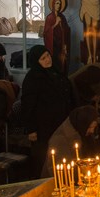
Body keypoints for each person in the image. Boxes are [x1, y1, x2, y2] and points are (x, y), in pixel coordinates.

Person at [21, 45, 74, 180]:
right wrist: (31, 129)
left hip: (61, 122)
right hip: (43, 126)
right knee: (43, 157)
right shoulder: (32, 79)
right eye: (43, 58)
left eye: (48, 56)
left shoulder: (56, 72)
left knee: (60, 154)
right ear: (36, 61)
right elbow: (28, 105)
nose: (47, 60)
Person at [44, 105, 100, 176]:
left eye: (94, 127)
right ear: (82, 124)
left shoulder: (83, 132)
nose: (92, 131)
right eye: (89, 127)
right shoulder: (60, 139)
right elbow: (60, 171)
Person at [43, 0, 71, 74]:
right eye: (57, 3)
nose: (58, 5)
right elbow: (46, 33)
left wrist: (65, 44)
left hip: (61, 44)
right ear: (53, 4)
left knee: (62, 64)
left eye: (60, 4)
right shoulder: (49, 17)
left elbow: (66, 30)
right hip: (53, 45)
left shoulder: (62, 17)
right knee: (55, 64)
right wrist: (56, 23)